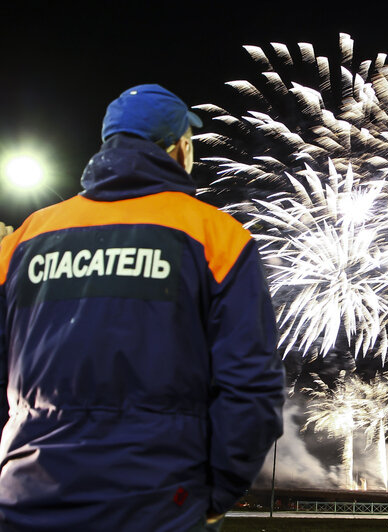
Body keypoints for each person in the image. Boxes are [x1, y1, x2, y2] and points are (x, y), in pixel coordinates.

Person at [0, 84, 285, 531]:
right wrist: (217, 493)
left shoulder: (25, 238)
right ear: (180, 148)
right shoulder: (217, 236)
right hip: (159, 503)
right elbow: (251, 383)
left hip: (26, 499)